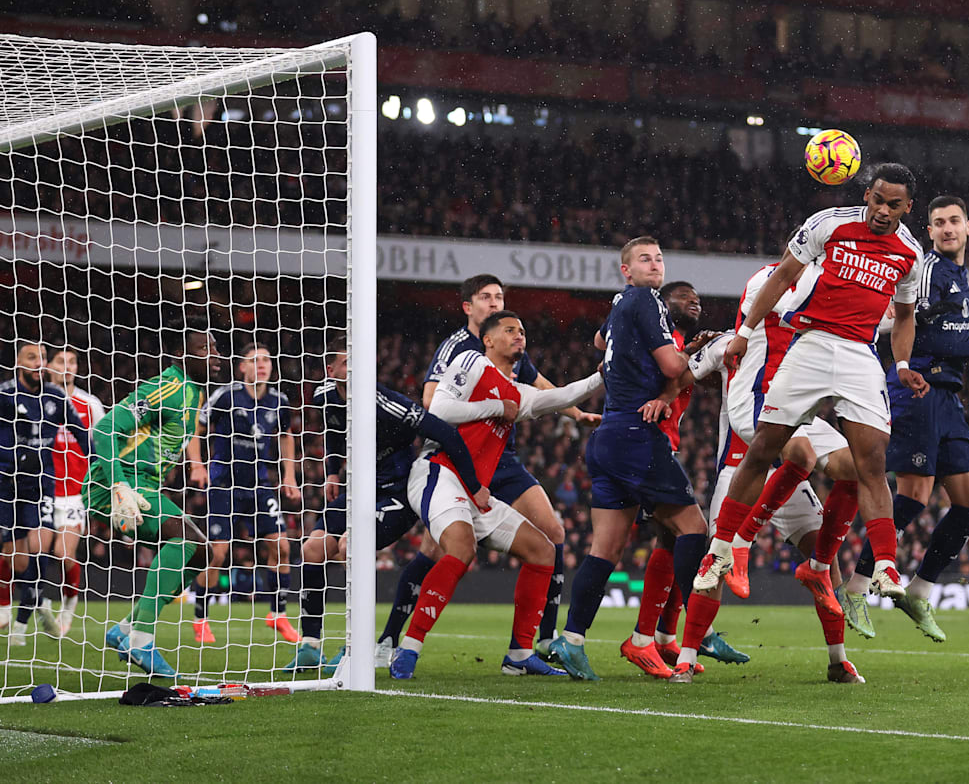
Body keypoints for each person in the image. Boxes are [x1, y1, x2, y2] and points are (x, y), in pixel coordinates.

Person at [691, 163, 929, 676]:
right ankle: (721, 551)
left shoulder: (911, 253)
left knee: (871, 461)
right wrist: (744, 331)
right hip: (812, 345)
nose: (883, 211)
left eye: (894, 204)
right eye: (878, 200)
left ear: (909, 207)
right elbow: (781, 275)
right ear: (868, 194)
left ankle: (886, 565)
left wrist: (904, 364)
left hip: (861, 355)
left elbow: (905, 316)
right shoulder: (829, 223)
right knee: (764, 447)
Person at [380, 274, 596, 664]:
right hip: (442, 468)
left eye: (522, 330)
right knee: (452, 549)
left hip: (485, 475)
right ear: (484, 330)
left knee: (545, 547)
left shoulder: (516, 384)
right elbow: (438, 408)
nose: (519, 335)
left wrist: (604, 375)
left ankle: (523, 652)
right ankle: (401, 645)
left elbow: (556, 393)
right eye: (510, 329)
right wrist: (494, 408)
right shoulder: (466, 356)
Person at [840, 195, 969, 641]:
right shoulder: (924, 267)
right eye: (938, 222)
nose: (946, 229)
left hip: (948, 397)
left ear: (968, 227)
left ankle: (920, 591)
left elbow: (952, 312)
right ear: (930, 230)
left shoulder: (956, 274)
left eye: (954, 221)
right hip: (918, 388)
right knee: (915, 496)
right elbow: (919, 326)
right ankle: (857, 586)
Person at [553, 236, 710, 682]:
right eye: (645, 259)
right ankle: (684, 635)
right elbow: (674, 367)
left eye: (659, 257)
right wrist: (699, 352)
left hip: (608, 434)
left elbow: (600, 339)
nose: (655, 264)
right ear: (627, 270)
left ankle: (573, 639)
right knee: (693, 528)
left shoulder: (622, 303)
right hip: (637, 434)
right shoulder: (645, 299)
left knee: (604, 549)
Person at [283, 343, 489, 674]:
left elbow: (445, 432)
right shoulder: (324, 395)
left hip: (396, 491)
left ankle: (357, 646)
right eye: (346, 363)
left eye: (357, 361)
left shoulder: (388, 404)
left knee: (351, 546)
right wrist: (334, 471)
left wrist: (474, 486)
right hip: (357, 490)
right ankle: (310, 645)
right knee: (313, 548)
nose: (354, 368)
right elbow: (335, 428)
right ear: (332, 372)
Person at [622, 281, 746, 677]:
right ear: (662, 304)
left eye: (698, 298)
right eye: (684, 297)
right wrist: (690, 352)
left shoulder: (677, 344)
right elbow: (653, 374)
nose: (695, 301)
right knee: (690, 534)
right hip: (645, 442)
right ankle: (650, 638)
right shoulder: (660, 340)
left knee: (674, 539)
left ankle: (663, 637)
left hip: (664, 445)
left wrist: (703, 354)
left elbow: (695, 376)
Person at [93, 323, 222, 677]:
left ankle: (126, 629)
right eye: (204, 351)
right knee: (183, 538)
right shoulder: (168, 386)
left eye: (215, 349)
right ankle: (141, 638)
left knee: (203, 552)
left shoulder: (194, 394)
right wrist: (120, 487)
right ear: (182, 357)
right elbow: (104, 429)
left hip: (145, 485)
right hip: (112, 485)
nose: (215, 357)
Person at [185, 342, 302, 644]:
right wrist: (197, 466)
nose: (262, 364)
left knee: (282, 546)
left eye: (266, 359)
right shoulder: (226, 395)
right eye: (255, 360)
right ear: (242, 367)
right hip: (224, 485)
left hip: (260, 486)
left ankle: (278, 615)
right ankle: (201, 619)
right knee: (217, 554)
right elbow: (196, 431)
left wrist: (289, 475)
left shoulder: (279, 400)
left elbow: (286, 436)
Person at [0, 341, 90, 644]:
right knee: (18, 561)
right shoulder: (5, 395)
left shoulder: (57, 397)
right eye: (31, 358)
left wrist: (109, 473)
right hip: (7, 484)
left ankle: (25, 621)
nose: (38, 363)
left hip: (43, 485)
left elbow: (84, 436)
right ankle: (24, 603)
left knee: (45, 550)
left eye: (41, 357)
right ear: (18, 362)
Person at [34, 347, 105, 638]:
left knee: (64, 555)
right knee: (33, 555)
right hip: (40, 491)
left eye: (72, 362)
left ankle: (69, 605)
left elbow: (104, 446)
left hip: (75, 493)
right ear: (48, 367)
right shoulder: (36, 400)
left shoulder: (90, 404)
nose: (68, 367)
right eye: (61, 362)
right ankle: (35, 603)